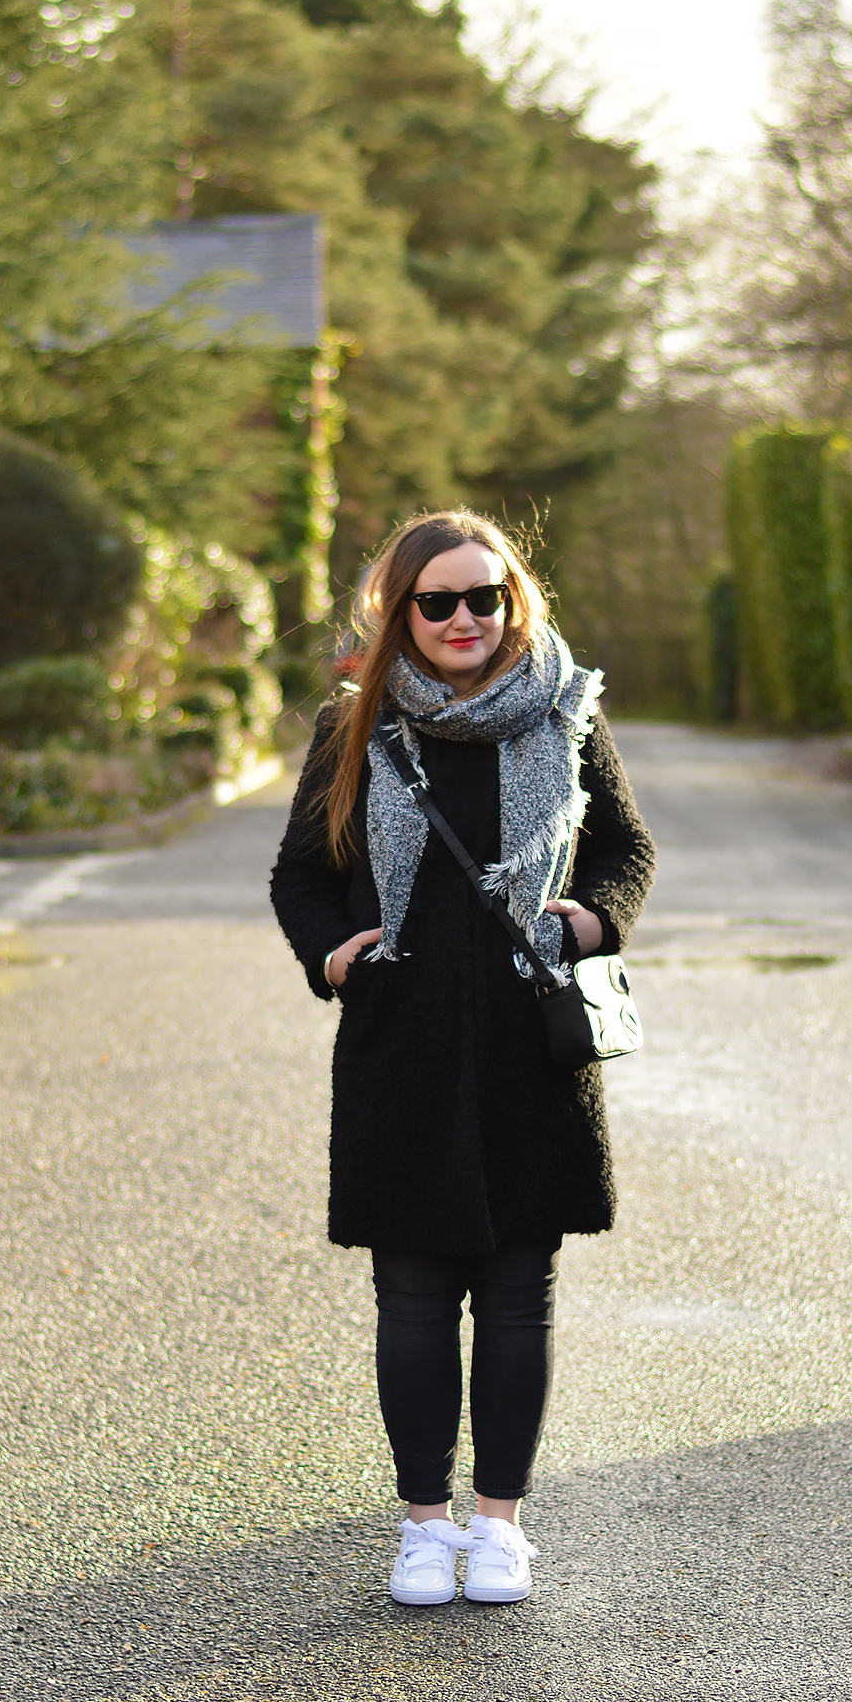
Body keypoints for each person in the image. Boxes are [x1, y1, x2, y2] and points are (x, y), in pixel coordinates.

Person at [269, 510, 655, 1607]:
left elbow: (627, 849)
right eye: (436, 601)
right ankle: (422, 1527)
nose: (464, 619)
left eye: (484, 596)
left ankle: (499, 1527)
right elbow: (299, 878)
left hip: (533, 1047)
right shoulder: (354, 729)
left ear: (512, 600)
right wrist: (335, 959)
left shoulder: (566, 717)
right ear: (399, 614)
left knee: (521, 1294)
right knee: (415, 1295)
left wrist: (589, 921)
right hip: (404, 1046)